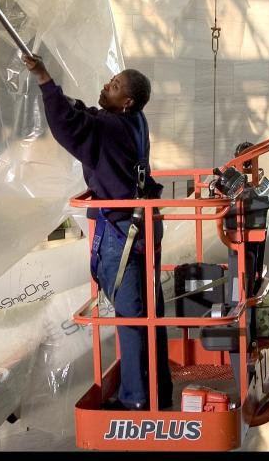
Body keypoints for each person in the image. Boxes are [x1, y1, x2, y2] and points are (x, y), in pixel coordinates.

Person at [22, 53, 173, 411]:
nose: (108, 85)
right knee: (149, 311)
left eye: (116, 86)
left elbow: (70, 126)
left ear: (128, 101)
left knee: (132, 316)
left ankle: (137, 399)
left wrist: (45, 80)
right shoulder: (135, 121)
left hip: (122, 235)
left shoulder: (111, 128)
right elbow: (94, 117)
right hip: (141, 228)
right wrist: (75, 103)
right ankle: (157, 389)